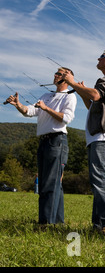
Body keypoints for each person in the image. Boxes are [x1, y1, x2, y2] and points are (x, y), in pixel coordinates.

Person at [62, 47, 105, 234]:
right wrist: (81, 89)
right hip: (99, 134)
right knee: (96, 178)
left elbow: (95, 95)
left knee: (99, 176)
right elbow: (93, 105)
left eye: (103, 57)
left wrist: (74, 83)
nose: (99, 58)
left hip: (103, 134)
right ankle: (99, 224)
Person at [5, 67, 77, 225]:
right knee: (48, 183)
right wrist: (18, 105)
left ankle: (46, 224)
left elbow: (66, 118)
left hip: (57, 141)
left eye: (59, 73)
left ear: (67, 78)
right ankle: (57, 222)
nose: (55, 75)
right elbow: (30, 111)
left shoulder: (70, 97)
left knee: (51, 183)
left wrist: (46, 108)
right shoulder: (46, 95)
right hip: (44, 141)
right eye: (56, 73)